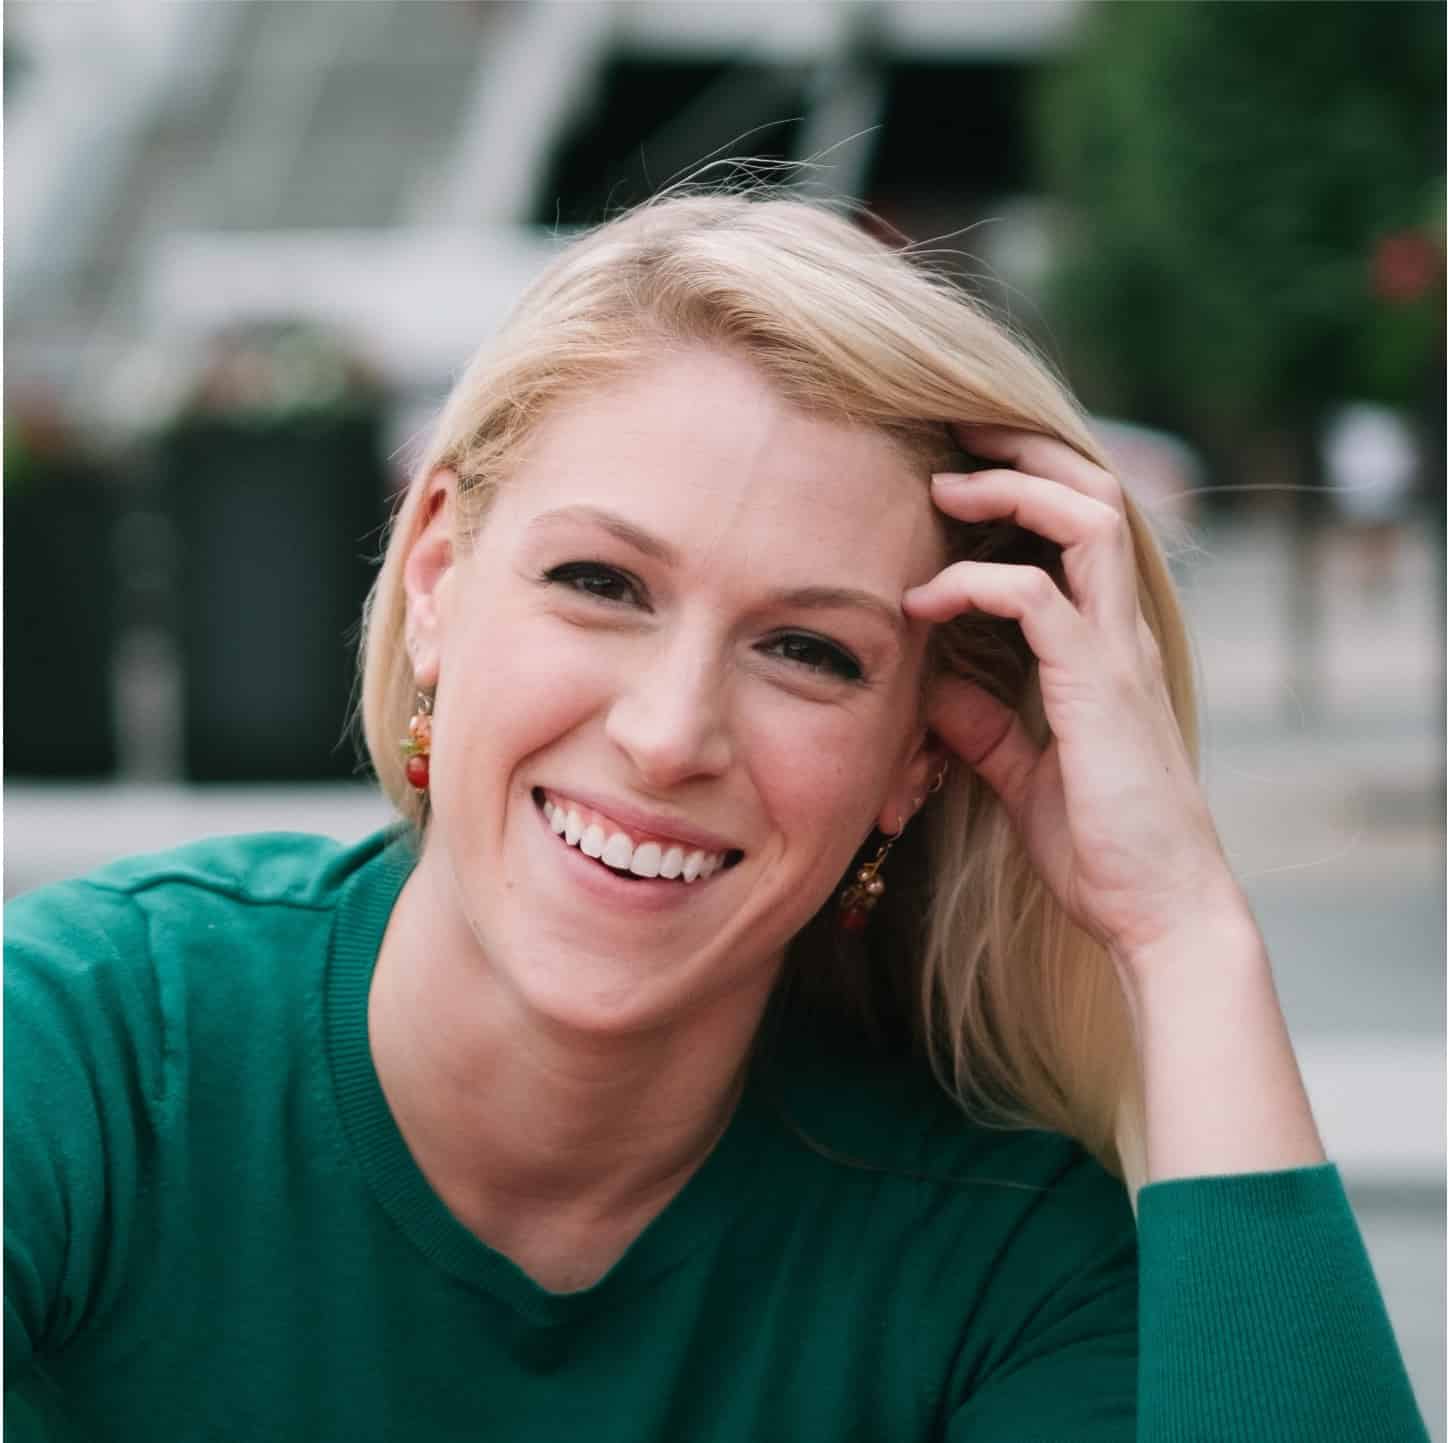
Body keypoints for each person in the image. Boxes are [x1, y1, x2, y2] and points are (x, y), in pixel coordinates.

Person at [5, 192, 1429, 1442]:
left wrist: (1182, 935)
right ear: (438, 572)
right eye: (601, 584)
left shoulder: (995, 1269)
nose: (670, 732)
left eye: (809, 652)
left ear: (915, 759)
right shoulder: (88, 1061)